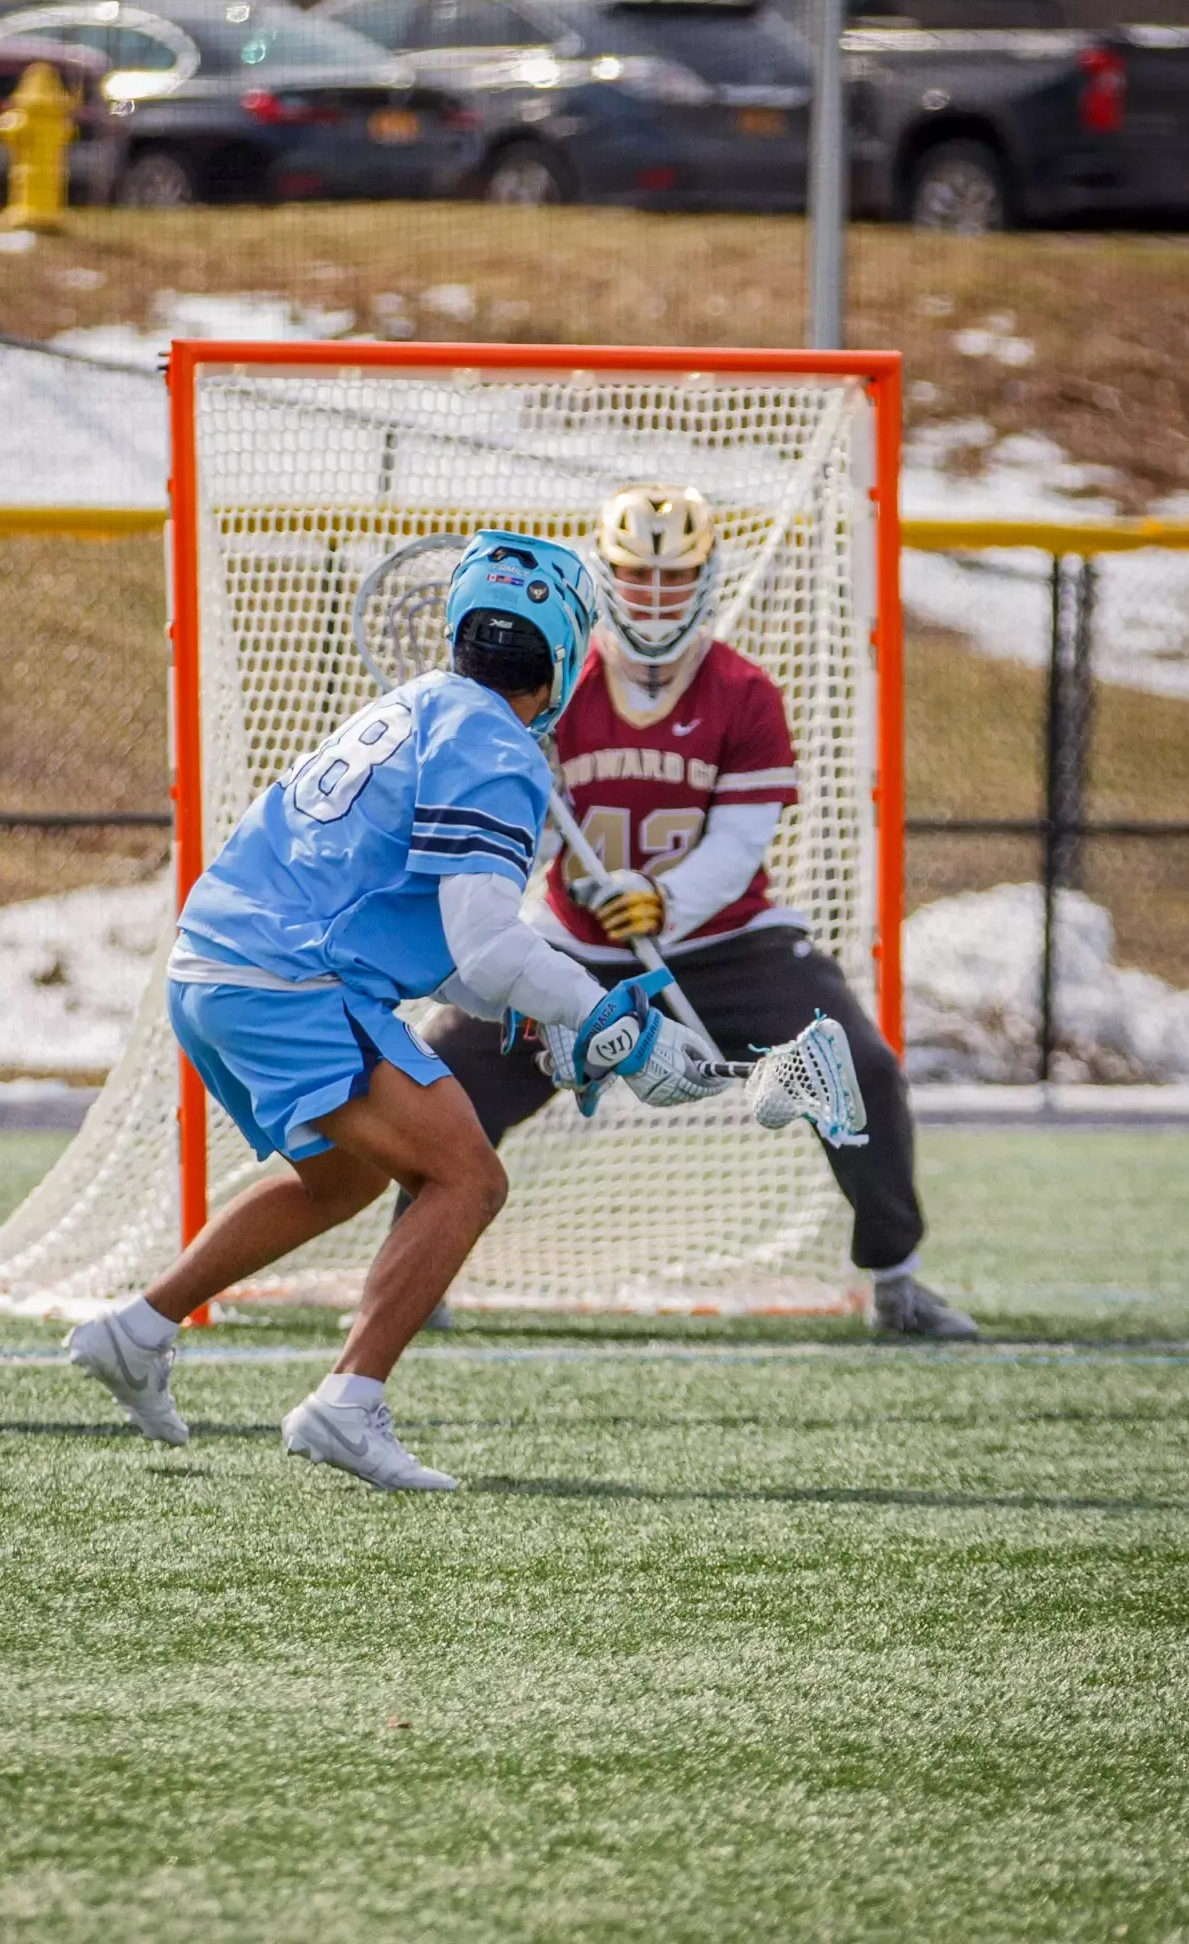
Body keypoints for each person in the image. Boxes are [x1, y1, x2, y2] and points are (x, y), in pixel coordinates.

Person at [65, 531, 726, 1490]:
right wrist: (613, 1027)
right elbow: (490, 945)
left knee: (343, 1181)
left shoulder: (416, 706)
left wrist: (546, 1016)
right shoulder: (496, 749)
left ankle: (137, 1332)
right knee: (469, 1179)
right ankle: (348, 1404)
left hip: (213, 969)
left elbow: (431, 944)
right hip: (290, 981)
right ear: (566, 657)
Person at [408, 486, 975, 1340]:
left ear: (708, 580)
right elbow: (515, 836)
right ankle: (415, 1269)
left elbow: (740, 843)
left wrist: (665, 900)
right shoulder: (559, 684)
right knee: (443, 1077)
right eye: (637, 576)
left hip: (729, 943)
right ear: (605, 578)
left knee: (861, 1066)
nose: (656, 596)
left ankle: (896, 1278)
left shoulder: (744, 692)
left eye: (676, 578)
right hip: (575, 944)